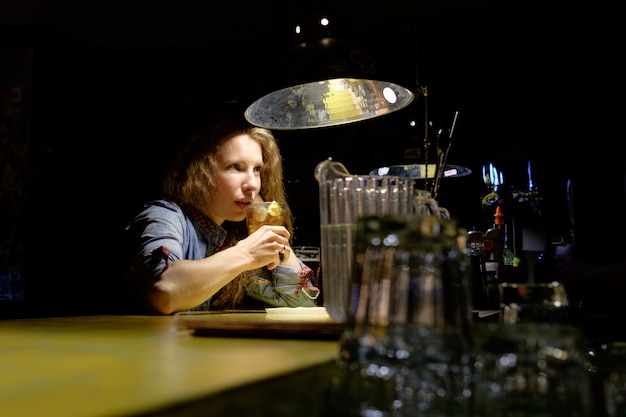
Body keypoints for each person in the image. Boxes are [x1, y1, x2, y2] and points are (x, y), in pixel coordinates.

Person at [118, 114, 320, 314]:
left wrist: (266, 225)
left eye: (257, 169)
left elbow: (301, 304)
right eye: (235, 167)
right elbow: (163, 292)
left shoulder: (231, 238)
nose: (253, 184)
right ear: (200, 172)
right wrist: (246, 253)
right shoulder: (164, 215)